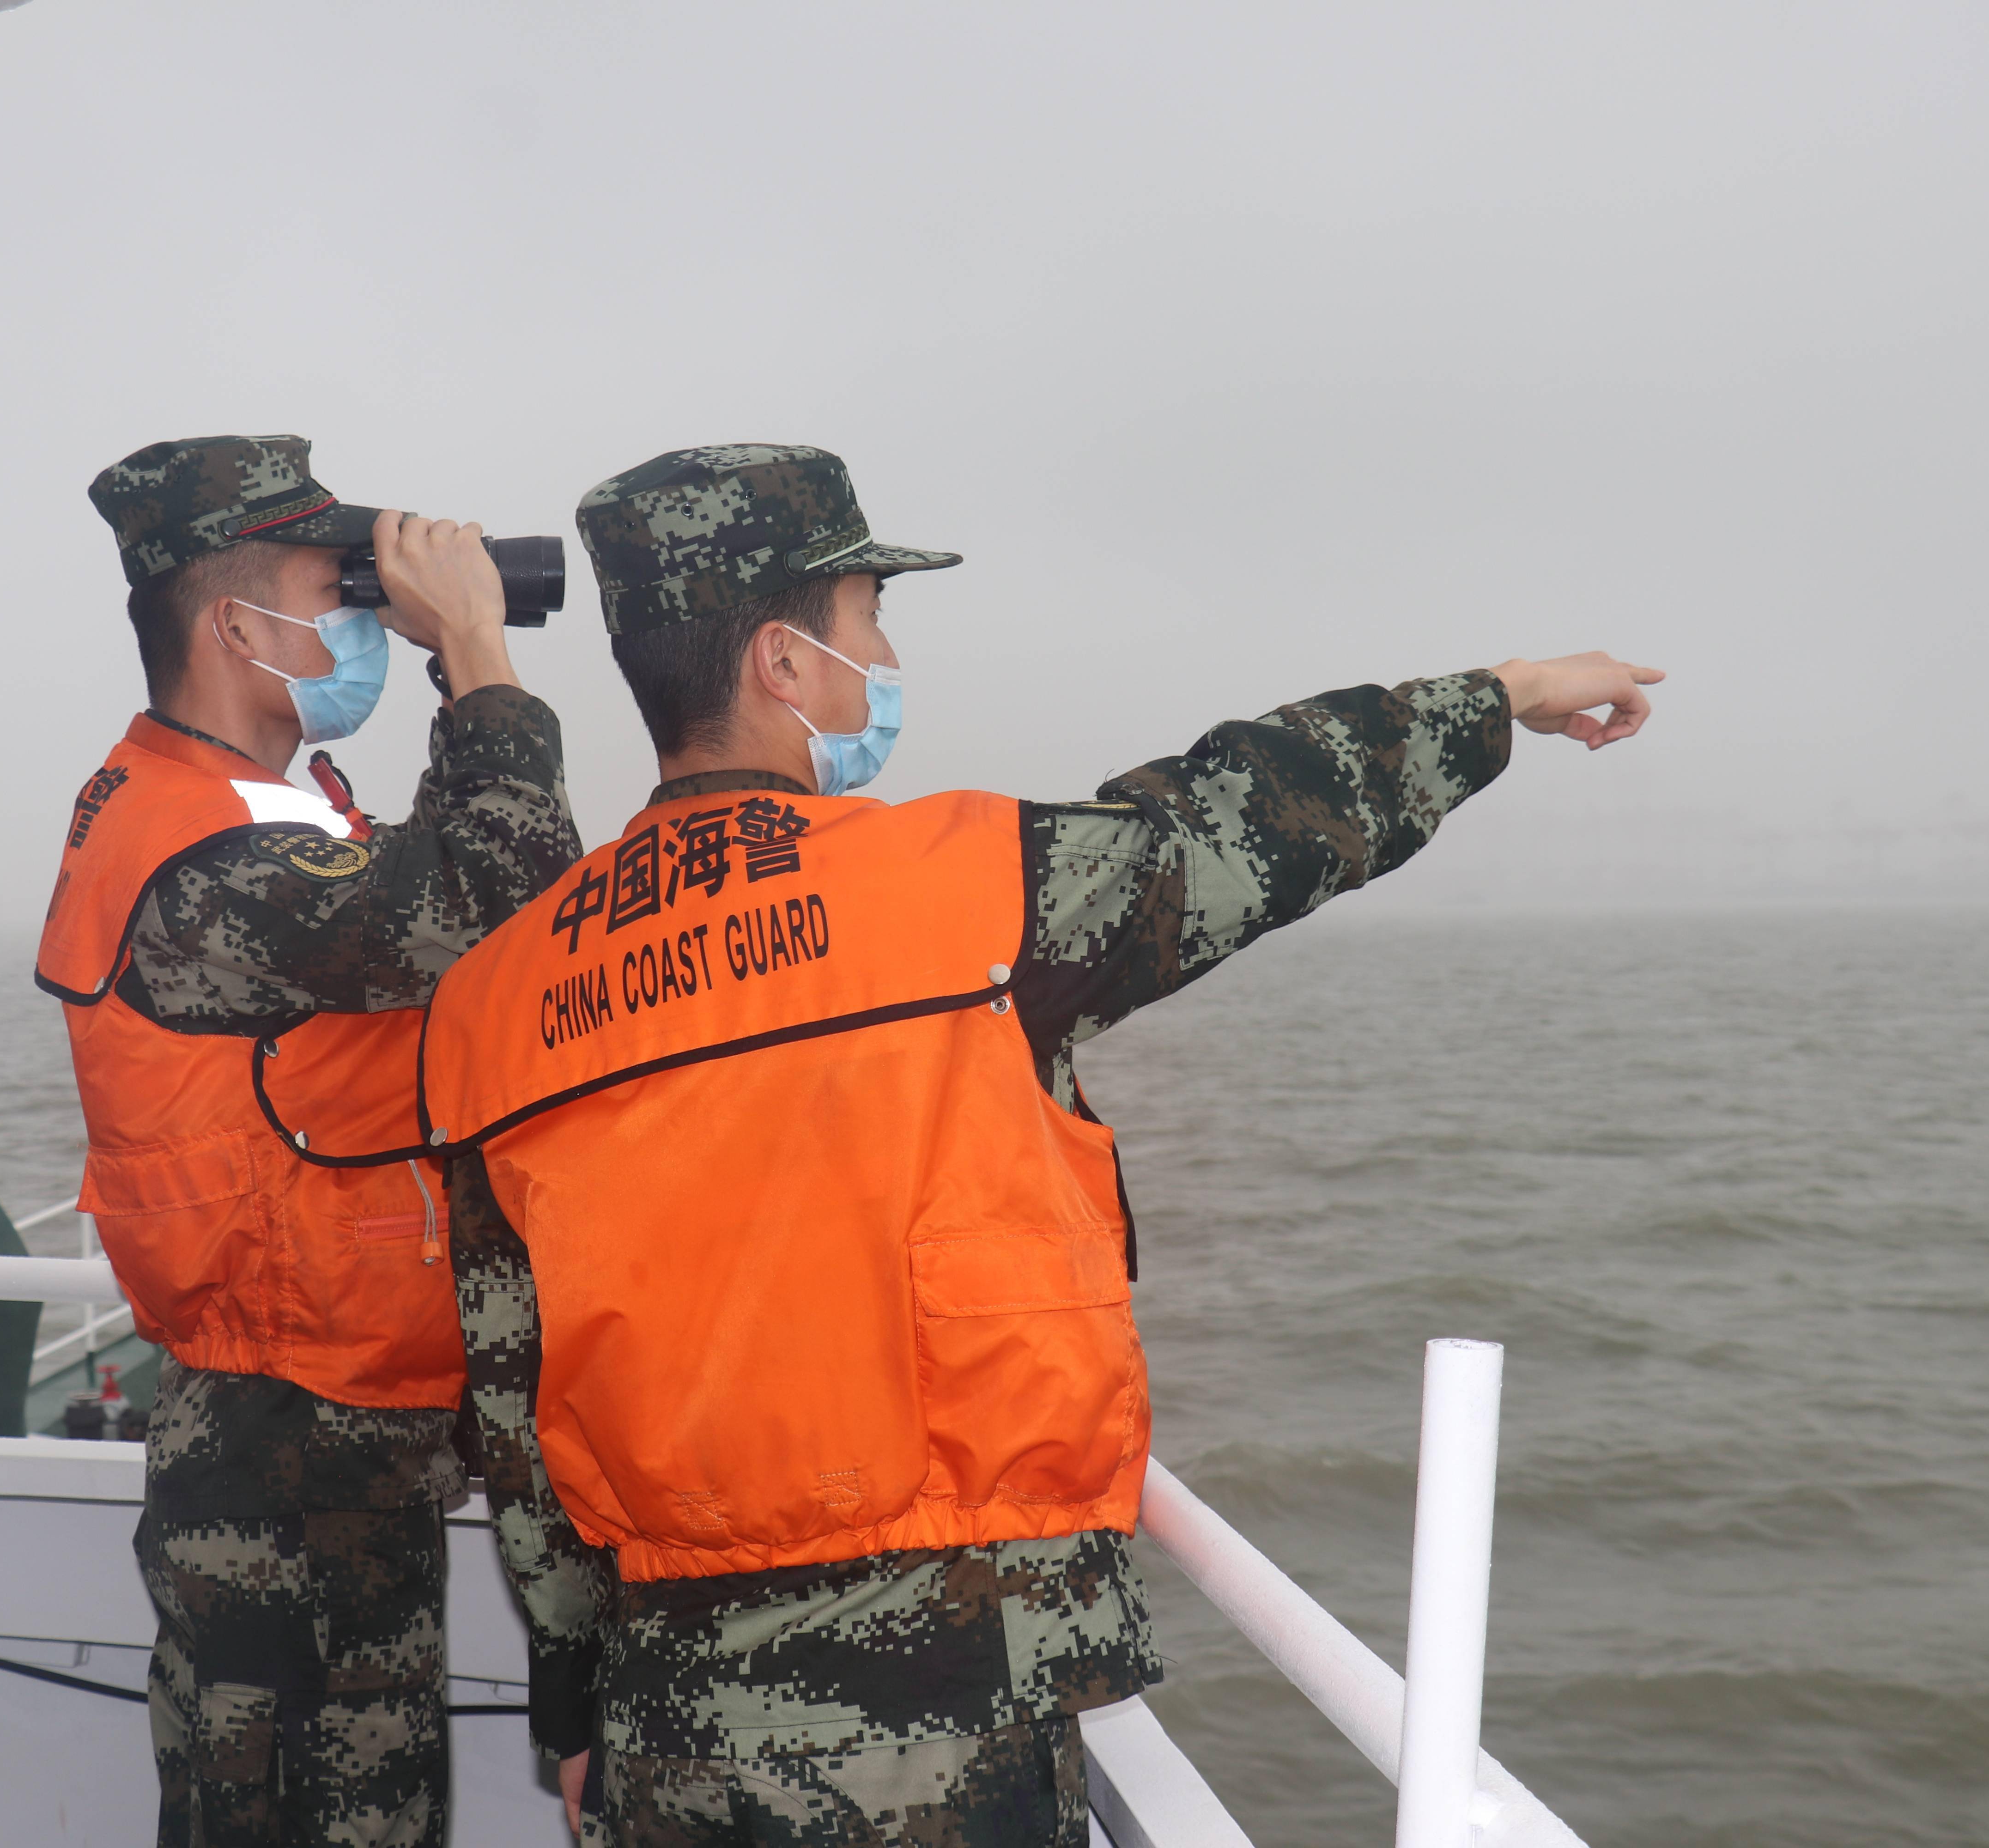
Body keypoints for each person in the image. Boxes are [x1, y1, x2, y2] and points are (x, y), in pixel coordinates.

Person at [419, 443, 1664, 1843]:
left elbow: (516, 1416)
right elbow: (1253, 810)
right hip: (943, 1712)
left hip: (666, 1726)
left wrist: (577, 1711)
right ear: (781, 660)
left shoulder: (494, 1005)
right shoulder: (969, 895)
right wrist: (1499, 701)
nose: (885, 657)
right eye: (869, 621)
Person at [40, 434, 583, 1847]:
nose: (362, 617)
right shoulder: (197, 853)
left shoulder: (271, 811)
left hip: (340, 1436)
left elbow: (438, 922)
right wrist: (469, 643)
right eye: (334, 590)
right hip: (284, 1465)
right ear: (233, 625)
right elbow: (502, 902)